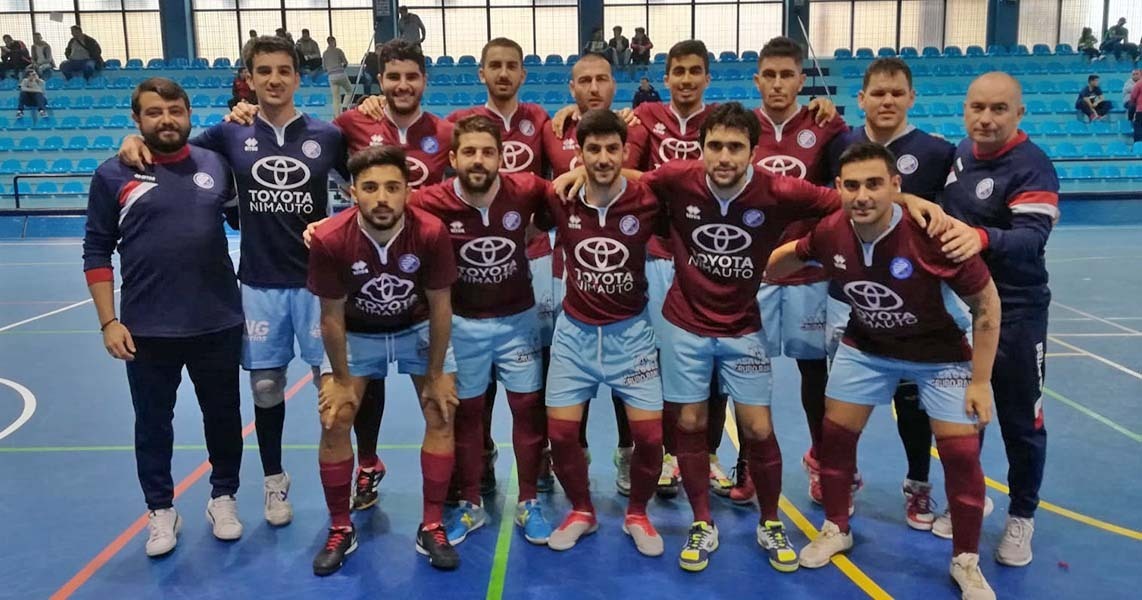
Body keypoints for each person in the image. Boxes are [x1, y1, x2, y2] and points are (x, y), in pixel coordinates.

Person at [557, 102, 944, 573]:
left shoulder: (778, 189)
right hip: (684, 324)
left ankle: (769, 520)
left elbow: (847, 200)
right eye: (715, 146)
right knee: (690, 425)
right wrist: (577, 173)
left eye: (735, 147)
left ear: (753, 152)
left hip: (743, 325)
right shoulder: (677, 178)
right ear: (701, 150)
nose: (724, 157)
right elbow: (625, 177)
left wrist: (906, 201)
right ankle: (702, 521)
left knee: (759, 428)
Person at [118, 35, 351, 532]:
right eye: (264, 71)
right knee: (265, 388)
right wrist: (131, 140)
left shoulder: (327, 136)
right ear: (249, 78)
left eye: (283, 70)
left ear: (297, 77)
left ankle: (341, 485)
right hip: (260, 284)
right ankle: (274, 481)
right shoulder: (228, 134)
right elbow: (171, 150)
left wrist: (335, 227)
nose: (274, 79)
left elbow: (370, 186)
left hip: (318, 285)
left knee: (332, 390)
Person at [771, 141, 1000, 600]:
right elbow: (791, 254)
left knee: (960, 456)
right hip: (867, 347)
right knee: (834, 438)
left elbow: (987, 304)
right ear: (839, 188)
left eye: (874, 184)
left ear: (896, 186)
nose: (862, 196)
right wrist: (755, 274)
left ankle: (966, 560)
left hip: (940, 354)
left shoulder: (931, 233)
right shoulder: (832, 231)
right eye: (852, 186)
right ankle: (836, 528)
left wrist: (980, 380)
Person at [82, 77, 245, 558]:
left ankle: (223, 497)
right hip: (147, 327)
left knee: (223, 416)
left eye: (175, 110)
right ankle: (160, 509)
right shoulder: (113, 174)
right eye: (154, 112)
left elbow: (248, 219)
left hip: (217, 319)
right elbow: (96, 249)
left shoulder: (215, 164)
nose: (166, 120)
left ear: (189, 114)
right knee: (153, 424)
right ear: (137, 119)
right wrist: (109, 321)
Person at [825, 57, 968, 532]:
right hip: (850, 294)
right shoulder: (840, 143)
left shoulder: (937, 151)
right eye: (878, 93)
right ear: (861, 98)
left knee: (912, 401)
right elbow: (828, 204)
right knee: (845, 401)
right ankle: (843, 480)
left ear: (911, 97)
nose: (887, 101)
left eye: (896, 93)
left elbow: (951, 217)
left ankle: (918, 483)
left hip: (915, 299)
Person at [306, 145, 460, 573]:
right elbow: (331, 317)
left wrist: (436, 373)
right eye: (370, 187)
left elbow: (441, 307)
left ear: (408, 192)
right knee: (335, 418)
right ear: (352, 192)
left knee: (441, 411)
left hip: (416, 327)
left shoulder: (430, 232)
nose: (382, 198)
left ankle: (432, 525)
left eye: (393, 188)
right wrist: (339, 380)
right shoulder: (330, 238)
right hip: (357, 333)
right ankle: (341, 527)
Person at [411, 116, 553, 546]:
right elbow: (383, 208)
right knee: (469, 415)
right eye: (469, 152)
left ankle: (529, 500)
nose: (479, 160)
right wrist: (324, 226)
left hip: (518, 320)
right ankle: (470, 503)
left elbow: (565, 192)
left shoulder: (526, 189)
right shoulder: (431, 199)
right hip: (462, 323)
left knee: (527, 410)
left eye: (488, 152)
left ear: (501, 157)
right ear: (453, 158)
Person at [938, 71, 1060, 567]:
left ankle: (1022, 515)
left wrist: (982, 238)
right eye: (978, 107)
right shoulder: (959, 155)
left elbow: (1032, 238)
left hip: (1015, 312)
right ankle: (970, 500)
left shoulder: (1032, 167)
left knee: (1020, 420)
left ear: (1019, 113)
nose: (986, 118)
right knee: (964, 413)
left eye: (999, 109)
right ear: (965, 109)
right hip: (961, 308)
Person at [536, 109, 666, 556]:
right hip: (574, 335)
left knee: (650, 439)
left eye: (613, 148)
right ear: (581, 152)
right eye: (594, 149)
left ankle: (637, 514)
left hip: (632, 336)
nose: (604, 158)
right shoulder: (561, 198)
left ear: (626, 151)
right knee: (561, 435)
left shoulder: (648, 199)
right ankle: (582, 511)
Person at [749, 36, 850, 508]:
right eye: (769, 75)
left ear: (801, 79)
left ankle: (822, 461)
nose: (777, 84)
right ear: (757, 80)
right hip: (757, 274)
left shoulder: (824, 126)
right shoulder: (743, 126)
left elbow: (849, 184)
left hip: (809, 272)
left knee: (815, 374)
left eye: (786, 75)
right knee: (750, 372)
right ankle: (749, 463)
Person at [324, 36, 351, 115]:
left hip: (331, 76)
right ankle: (345, 105)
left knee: (335, 98)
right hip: (341, 74)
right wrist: (343, 67)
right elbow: (345, 62)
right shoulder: (339, 51)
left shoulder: (325, 53)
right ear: (334, 41)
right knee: (349, 91)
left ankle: (337, 116)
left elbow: (324, 68)